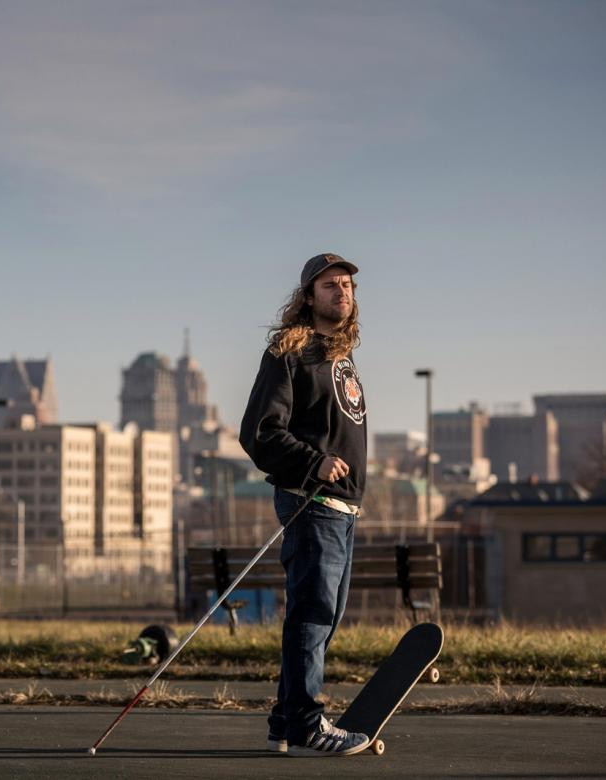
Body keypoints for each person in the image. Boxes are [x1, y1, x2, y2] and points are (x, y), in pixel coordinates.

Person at [238, 252, 369, 757]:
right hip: (311, 501)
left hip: (342, 509)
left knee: (323, 615)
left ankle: (287, 719)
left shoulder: (339, 356)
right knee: (313, 615)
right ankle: (308, 723)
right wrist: (312, 462)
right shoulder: (289, 353)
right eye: (331, 285)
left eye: (348, 286)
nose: (343, 292)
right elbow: (259, 433)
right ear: (308, 295)